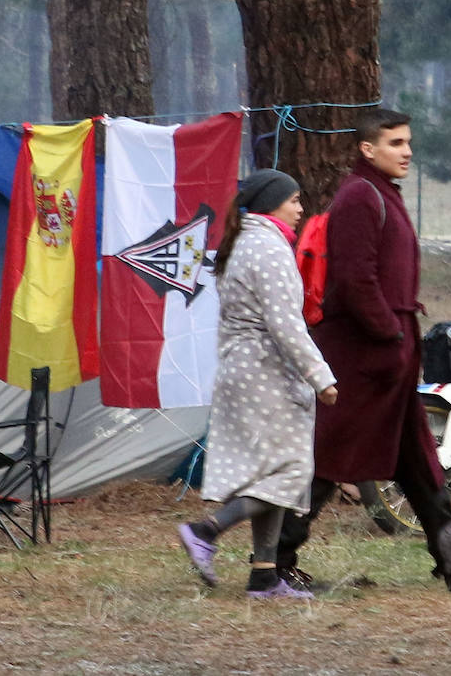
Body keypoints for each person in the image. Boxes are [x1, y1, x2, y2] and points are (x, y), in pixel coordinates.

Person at [276, 107, 451, 593]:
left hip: (390, 358)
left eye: (408, 142)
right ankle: (273, 564)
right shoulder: (359, 198)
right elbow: (354, 281)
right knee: (330, 460)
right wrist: (390, 333)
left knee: (416, 457)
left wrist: (400, 342)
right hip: (362, 357)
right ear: (368, 149)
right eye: (395, 143)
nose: (406, 152)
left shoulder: (381, 193)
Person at [176, 169, 338, 599]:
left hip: (241, 371)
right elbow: (285, 324)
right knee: (291, 470)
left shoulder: (244, 242)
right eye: (294, 200)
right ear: (272, 204)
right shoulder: (269, 247)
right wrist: (320, 376)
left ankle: (264, 577)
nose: (301, 209)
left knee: (268, 472)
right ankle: (205, 531)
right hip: (265, 373)